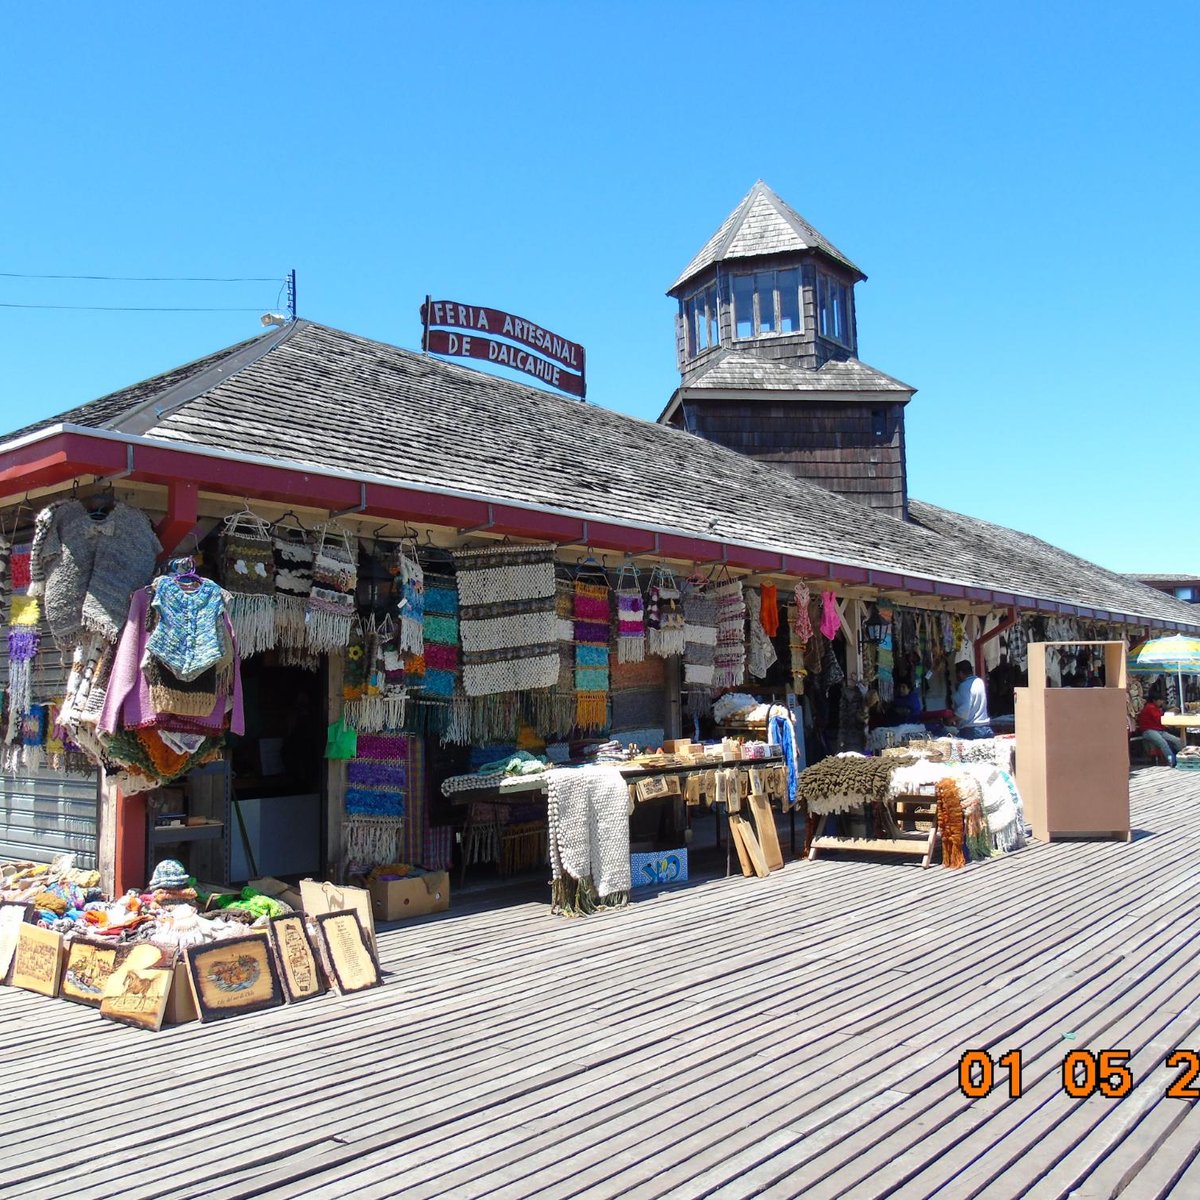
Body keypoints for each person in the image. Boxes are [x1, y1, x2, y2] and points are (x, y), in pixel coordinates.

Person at [953, 659, 994, 739]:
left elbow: (963, 712)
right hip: (985, 728)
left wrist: (950, 720)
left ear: (960, 673)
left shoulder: (964, 686)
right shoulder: (979, 681)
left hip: (971, 730)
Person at [1137, 698, 1181, 767]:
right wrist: (1168, 713)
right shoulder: (1150, 707)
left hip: (1159, 730)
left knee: (1177, 740)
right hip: (1148, 730)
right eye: (1160, 700)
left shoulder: (1156, 708)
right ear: (1154, 700)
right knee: (1163, 743)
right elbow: (1159, 719)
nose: (1161, 702)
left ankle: (1184, 758)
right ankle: (1172, 762)